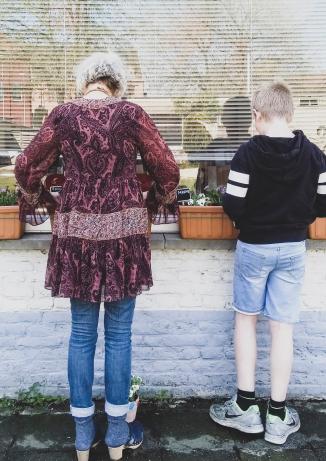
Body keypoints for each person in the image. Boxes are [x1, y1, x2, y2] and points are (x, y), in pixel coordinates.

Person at [14, 51, 180, 461]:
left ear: (84, 82)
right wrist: (155, 200)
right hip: (125, 233)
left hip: (77, 237)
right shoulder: (131, 114)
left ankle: (83, 436)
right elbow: (168, 168)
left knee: (82, 334)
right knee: (120, 335)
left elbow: (25, 165)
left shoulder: (63, 116)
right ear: (115, 84)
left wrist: (39, 200)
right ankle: (119, 435)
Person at [209, 82, 326, 445]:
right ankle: (277, 415)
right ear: (289, 112)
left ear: (257, 115)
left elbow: (234, 205)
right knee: (283, 329)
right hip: (292, 248)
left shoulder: (247, 154)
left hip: (254, 248)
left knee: (246, 320)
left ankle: (245, 408)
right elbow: (323, 205)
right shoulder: (315, 155)